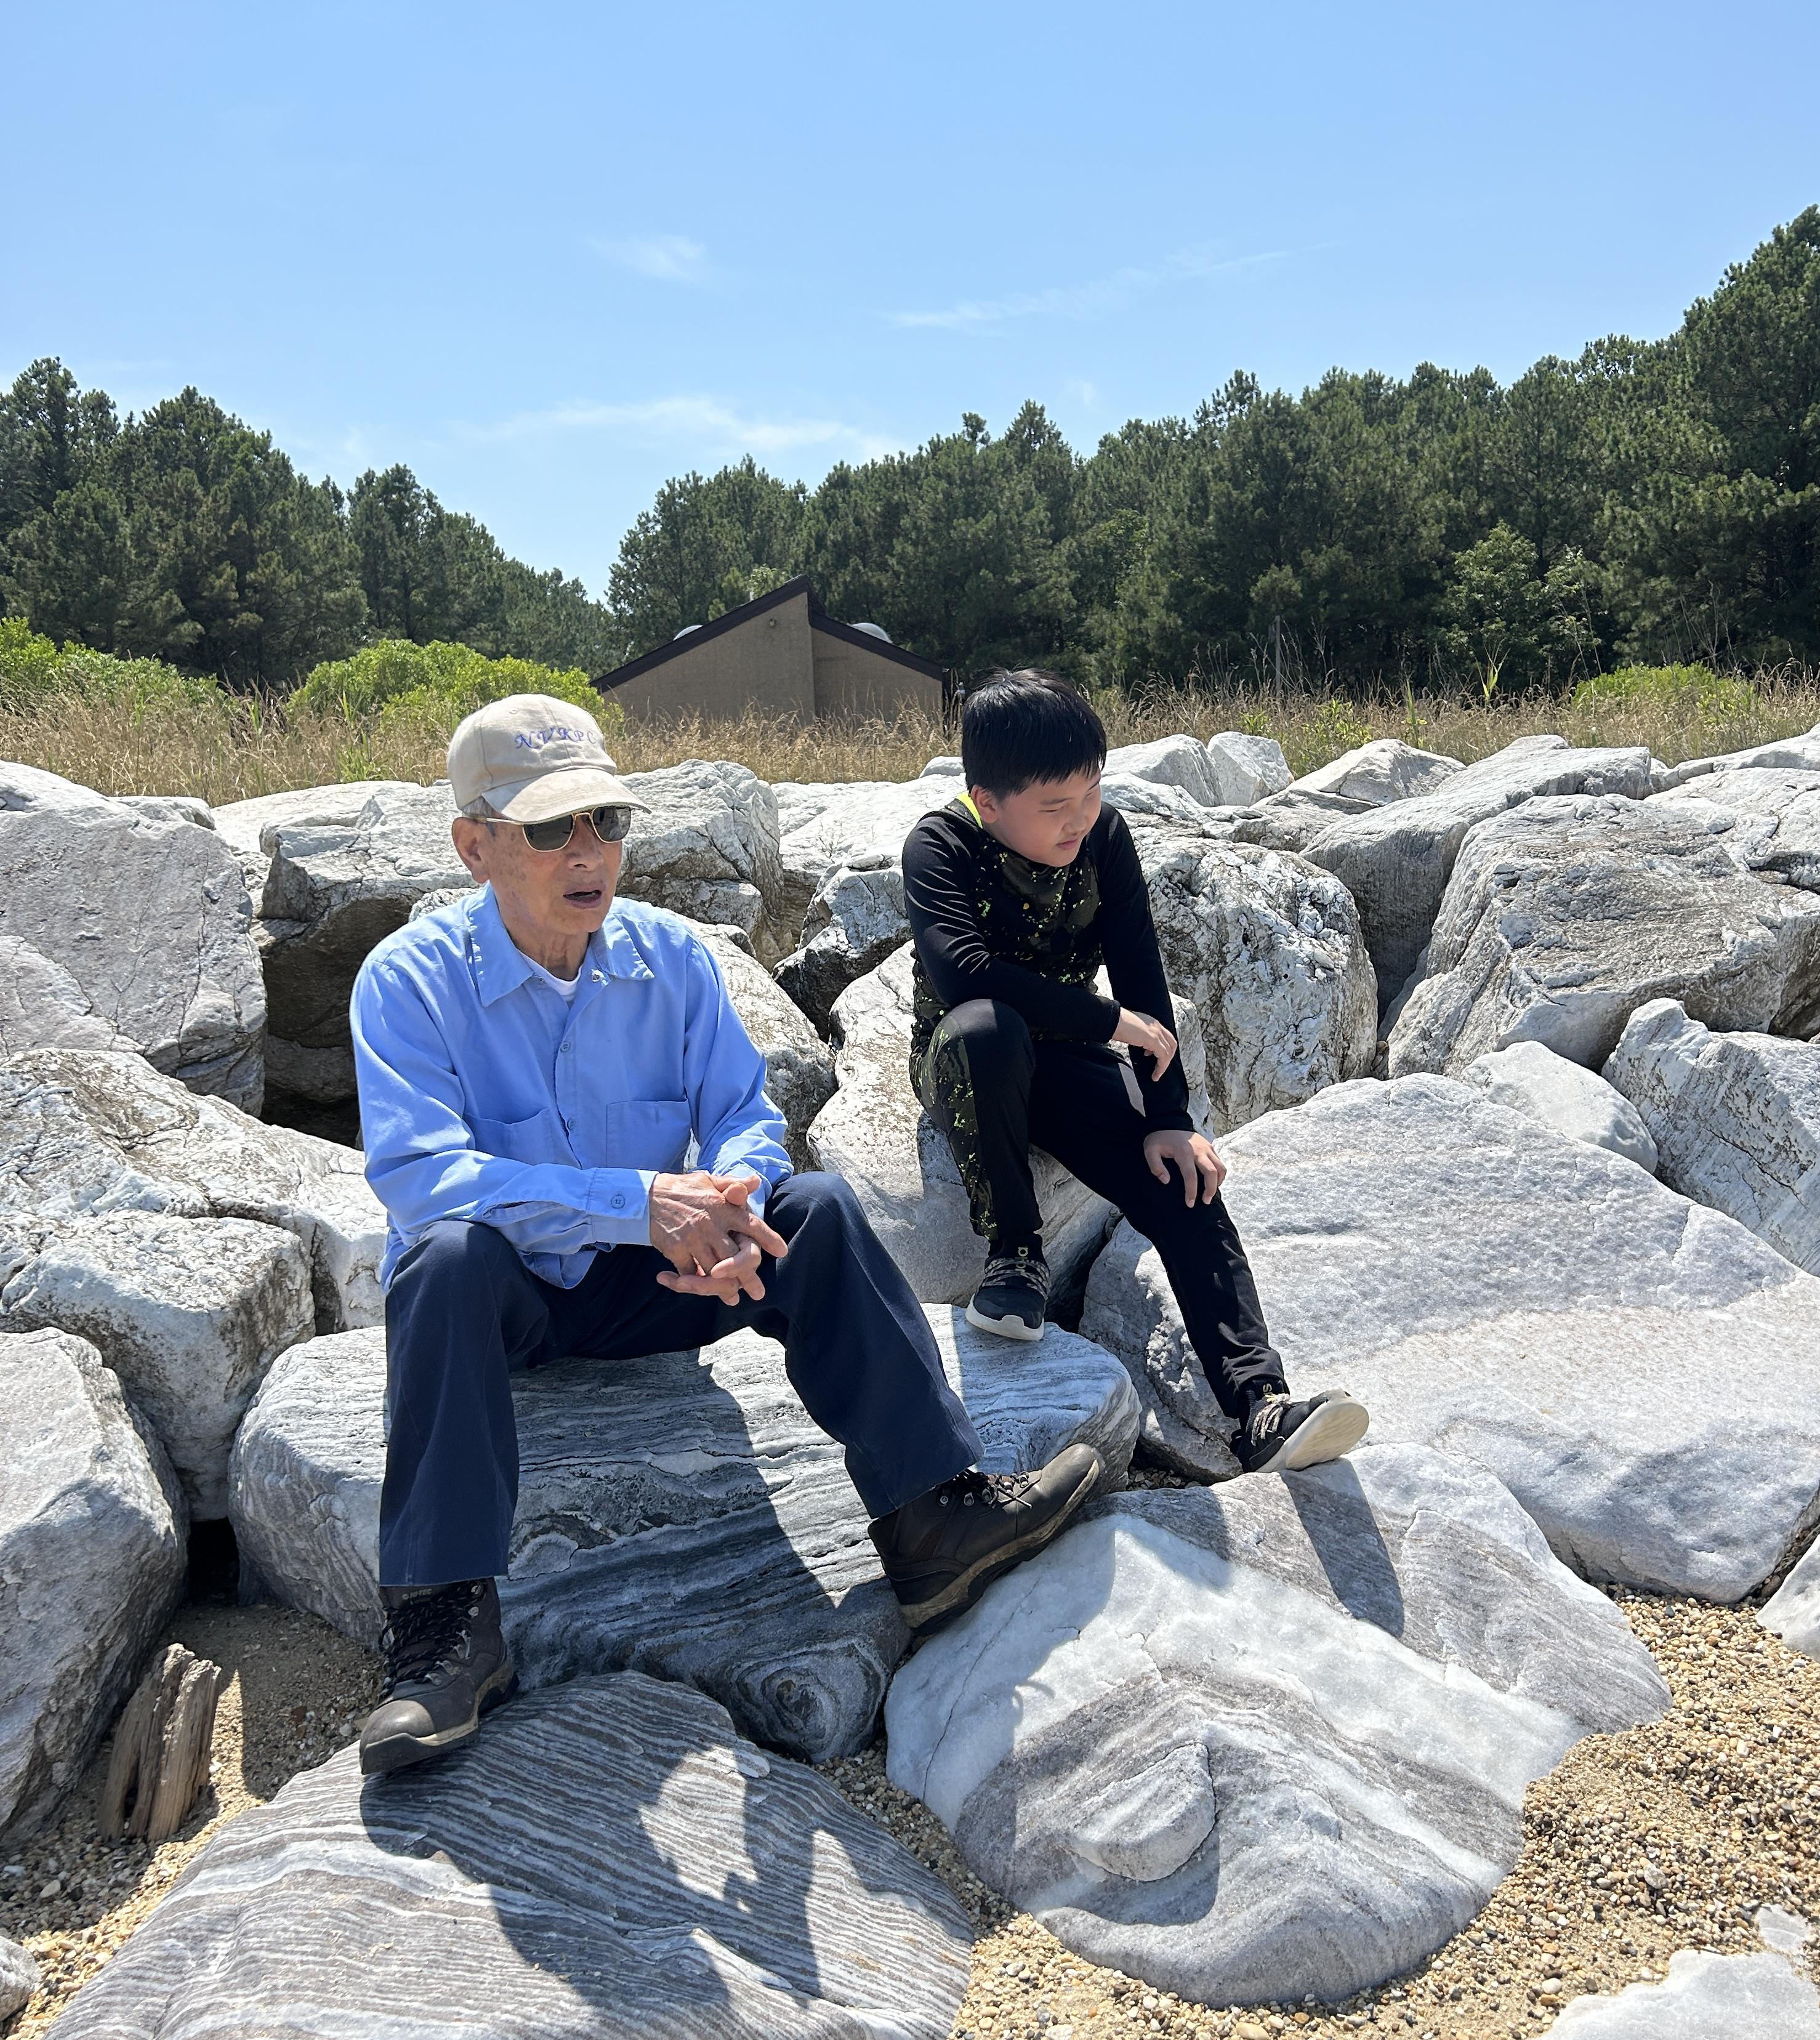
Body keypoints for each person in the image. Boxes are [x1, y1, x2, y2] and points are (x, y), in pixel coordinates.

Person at [348, 693, 1101, 1776]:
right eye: (551, 828)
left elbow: (746, 1114)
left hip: (671, 1281)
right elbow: (422, 1180)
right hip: (512, 1309)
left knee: (819, 1210)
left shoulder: (675, 960)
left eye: (607, 820)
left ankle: (933, 1518)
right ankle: (442, 1627)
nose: (589, 852)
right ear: (476, 848)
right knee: (444, 1259)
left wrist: (736, 1212)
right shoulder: (408, 982)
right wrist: (642, 1203)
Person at [901, 667, 1369, 1478]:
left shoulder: (1104, 840)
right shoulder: (940, 847)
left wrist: (1169, 1118)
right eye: (1056, 806)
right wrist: (1108, 1022)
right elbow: (965, 975)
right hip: (967, 1057)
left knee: (1183, 1182)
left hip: (1064, 1057)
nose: (1081, 818)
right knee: (989, 1029)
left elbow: (1142, 978)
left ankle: (1259, 1406)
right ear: (987, 801)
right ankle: (1016, 1254)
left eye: (1091, 792)